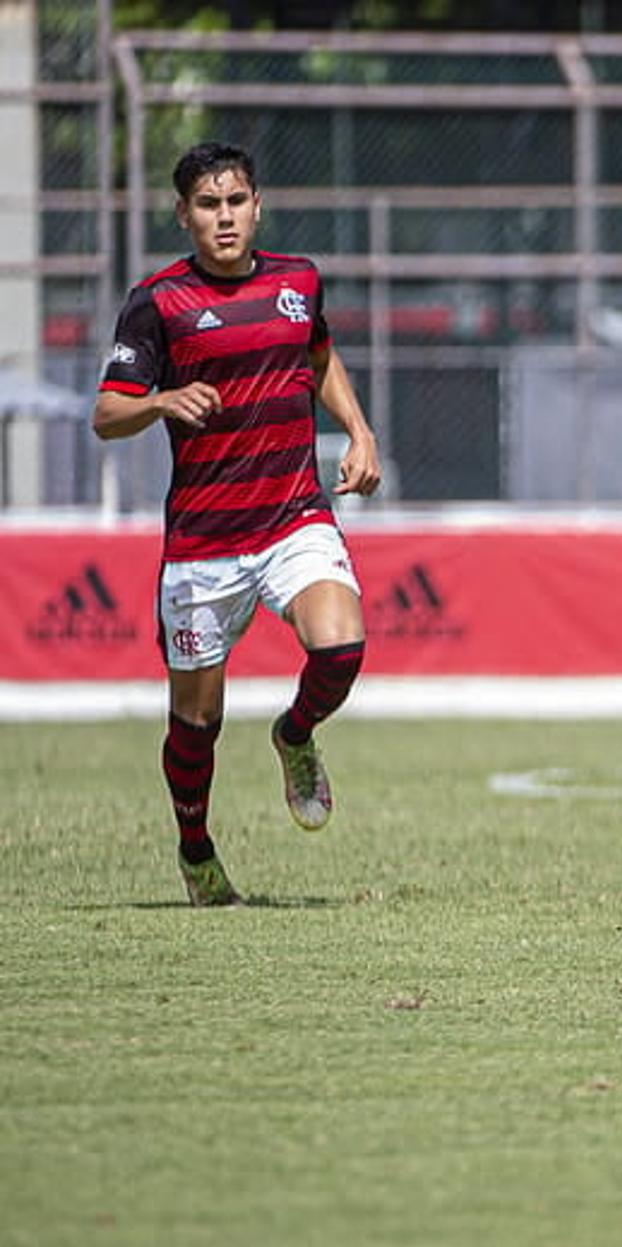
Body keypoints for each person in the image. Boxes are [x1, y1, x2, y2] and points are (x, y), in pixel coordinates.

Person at [92, 141, 382, 907]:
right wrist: (159, 400)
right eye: (208, 206)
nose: (224, 218)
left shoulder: (298, 280)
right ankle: (196, 852)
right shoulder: (158, 302)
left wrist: (358, 430)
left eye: (236, 202)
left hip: (294, 517)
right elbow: (106, 412)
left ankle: (293, 734)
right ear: (183, 215)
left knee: (343, 647)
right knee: (197, 723)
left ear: (257, 206)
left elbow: (317, 355)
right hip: (203, 545)